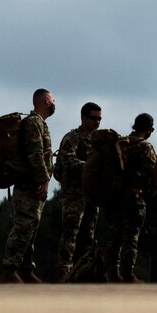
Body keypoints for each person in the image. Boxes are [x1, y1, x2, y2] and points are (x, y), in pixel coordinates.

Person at [0, 88, 58, 284]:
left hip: (34, 185)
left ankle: (25, 270)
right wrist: (43, 180)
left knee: (31, 228)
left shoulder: (40, 124)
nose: (55, 103)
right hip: (29, 185)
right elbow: (35, 153)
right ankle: (10, 270)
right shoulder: (33, 123)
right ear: (46, 100)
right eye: (53, 99)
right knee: (23, 226)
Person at [103, 114, 156, 283]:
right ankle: (127, 274)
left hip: (114, 195)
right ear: (149, 129)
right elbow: (153, 172)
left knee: (114, 236)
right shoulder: (144, 146)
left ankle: (112, 273)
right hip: (134, 196)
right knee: (131, 236)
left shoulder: (122, 143)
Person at [53, 100, 102, 283]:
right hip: (74, 195)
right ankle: (63, 273)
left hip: (91, 195)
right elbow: (67, 160)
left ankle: (83, 273)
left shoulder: (98, 141)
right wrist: (89, 167)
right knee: (70, 234)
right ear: (83, 118)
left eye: (99, 118)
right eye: (93, 118)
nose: (97, 122)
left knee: (88, 237)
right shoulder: (72, 138)